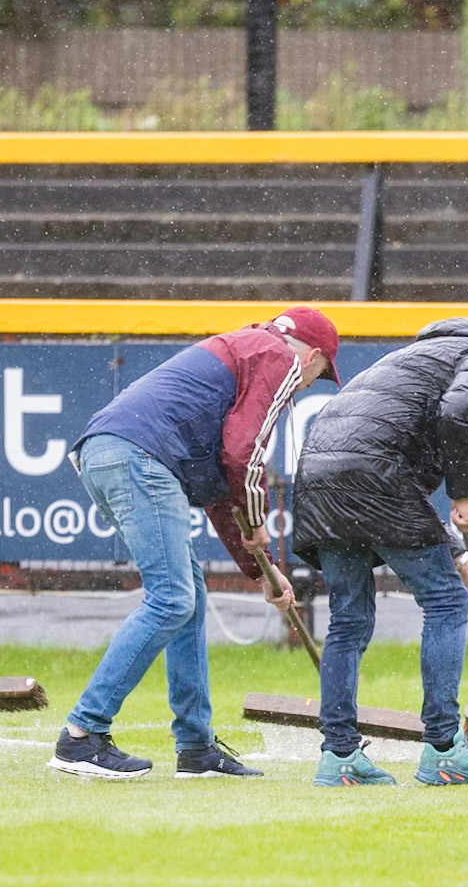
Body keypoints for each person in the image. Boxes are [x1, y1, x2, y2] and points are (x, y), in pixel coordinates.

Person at [48, 307, 341, 780]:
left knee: (189, 595)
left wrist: (260, 568)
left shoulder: (247, 348)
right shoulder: (278, 358)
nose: (307, 386)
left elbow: (222, 486)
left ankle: (196, 747)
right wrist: (258, 518)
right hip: (137, 456)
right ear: (312, 357)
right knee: (171, 599)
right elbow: (243, 454)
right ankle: (82, 735)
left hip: (107, 452)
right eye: (320, 374)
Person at [292, 307, 468, 787]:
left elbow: (391, 477)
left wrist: (463, 558)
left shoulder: (426, 350)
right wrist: (463, 494)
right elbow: (458, 411)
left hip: (319, 474)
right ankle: (444, 748)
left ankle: (339, 756)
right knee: (446, 602)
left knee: (348, 619)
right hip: (371, 477)